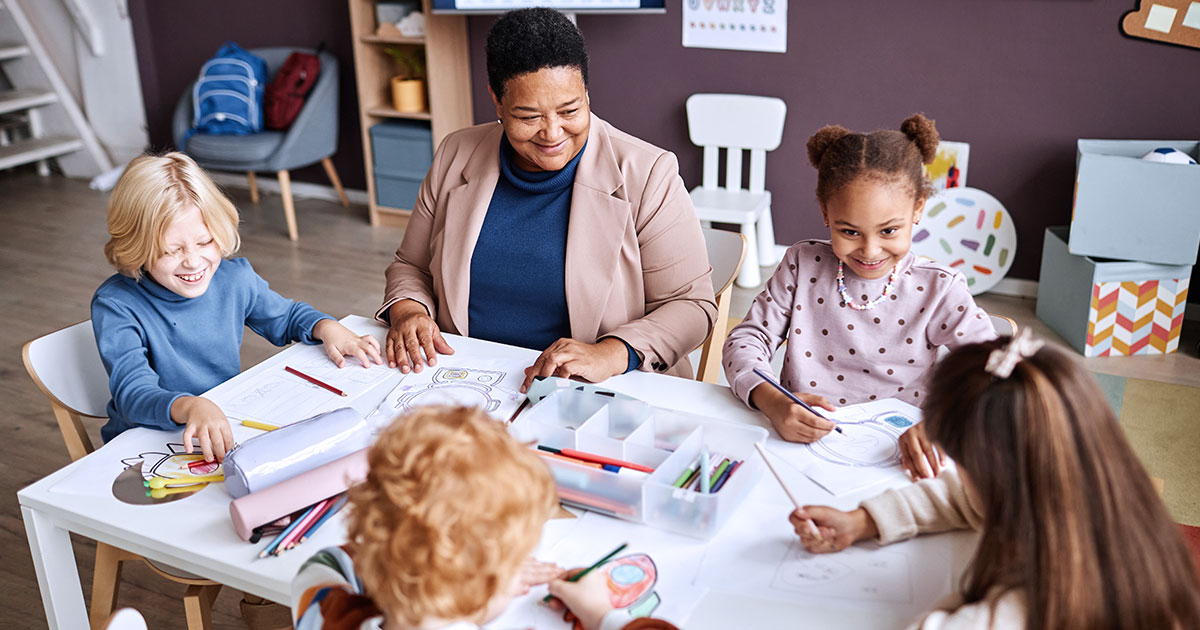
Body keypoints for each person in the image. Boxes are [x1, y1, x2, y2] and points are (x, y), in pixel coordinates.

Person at [378, 8, 716, 392]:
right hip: (469, 378)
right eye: (528, 117)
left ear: (587, 92)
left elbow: (692, 307)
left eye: (570, 110)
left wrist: (610, 352)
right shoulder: (457, 153)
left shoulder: (648, 173)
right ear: (497, 101)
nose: (552, 133)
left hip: (598, 392)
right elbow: (411, 266)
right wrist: (409, 312)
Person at [787, 334, 1200, 629]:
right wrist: (864, 521)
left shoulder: (1040, 599)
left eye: (958, 460)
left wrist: (958, 601)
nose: (958, 473)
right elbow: (963, 499)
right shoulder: (1083, 484)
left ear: (995, 474)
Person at [721, 114, 995, 478]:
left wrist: (943, 423)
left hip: (900, 458)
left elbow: (993, 370)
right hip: (798, 448)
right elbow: (746, 339)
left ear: (918, 210)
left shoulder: (939, 288)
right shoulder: (802, 264)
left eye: (889, 230)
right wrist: (771, 400)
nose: (869, 250)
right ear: (825, 214)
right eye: (849, 231)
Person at [92, 152, 382, 460]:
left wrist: (327, 328)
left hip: (219, 424)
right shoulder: (116, 305)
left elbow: (286, 317)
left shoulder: (234, 278)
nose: (193, 261)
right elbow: (133, 395)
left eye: (204, 242)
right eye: (171, 250)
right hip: (145, 445)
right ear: (135, 247)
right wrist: (191, 405)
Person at [291, 406, 678, 630]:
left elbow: (321, 567)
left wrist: (444, 570)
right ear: (489, 585)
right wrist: (603, 617)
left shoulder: (329, 613)